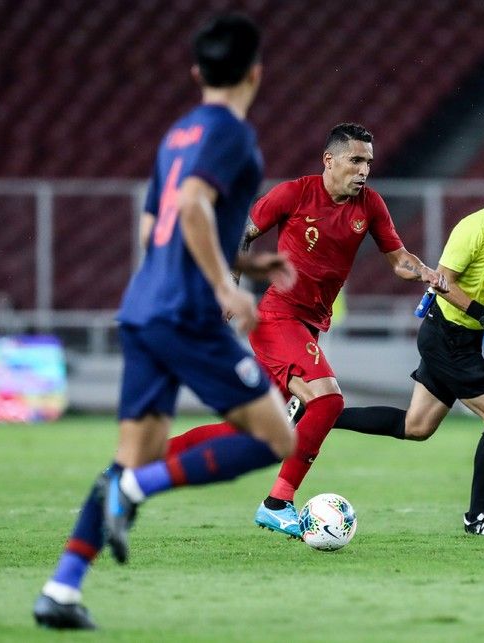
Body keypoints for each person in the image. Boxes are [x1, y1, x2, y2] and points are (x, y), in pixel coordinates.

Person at [33, 13, 298, 630]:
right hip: (186, 312)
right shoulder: (232, 133)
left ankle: (62, 589)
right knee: (275, 438)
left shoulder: (177, 133)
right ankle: (133, 493)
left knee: (132, 455)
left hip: (144, 307)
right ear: (256, 73)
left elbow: (160, 223)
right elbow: (193, 207)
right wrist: (221, 287)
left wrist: (245, 261)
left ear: (196, 72)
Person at [163, 122, 448, 539]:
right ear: (329, 160)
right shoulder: (295, 193)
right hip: (278, 319)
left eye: (368, 161)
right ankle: (277, 503)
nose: (364, 170)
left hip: (309, 327)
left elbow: (398, 257)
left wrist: (424, 271)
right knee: (328, 401)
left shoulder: (370, 206)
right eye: (356, 160)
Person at [331, 155, 484, 535]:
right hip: (445, 335)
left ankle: (321, 415)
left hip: (465, 336)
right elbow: (442, 282)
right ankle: (478, 515)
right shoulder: (477, 227)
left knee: (415, 426)